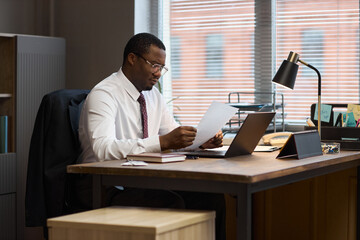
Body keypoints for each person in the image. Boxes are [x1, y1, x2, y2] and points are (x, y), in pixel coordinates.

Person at [77, 32, 226, 240]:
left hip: (141, 180)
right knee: (171, 204)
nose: (158, 73)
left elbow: (171, 134)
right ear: (132, 59)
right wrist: (162, 142)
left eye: (161, 68)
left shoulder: (152, 95)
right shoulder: (104, 94)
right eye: (154, 65)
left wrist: (200, 142)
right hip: (104, 185)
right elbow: (102, 149)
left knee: (211, 199)